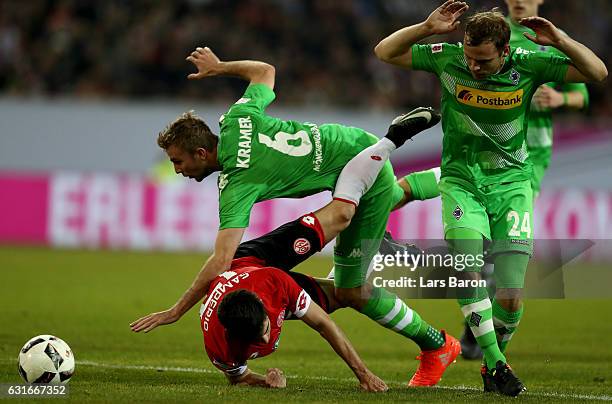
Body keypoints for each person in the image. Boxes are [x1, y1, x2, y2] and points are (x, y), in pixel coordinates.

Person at [131, 46, 462, 386]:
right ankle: (460, 175)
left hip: (361, 170)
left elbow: (221, 260)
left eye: (178, 161)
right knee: (390, 196)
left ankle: (437, 346)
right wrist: (219, 68)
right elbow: (265, 71)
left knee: (350, 287)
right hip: (346, 140)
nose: (177, 169)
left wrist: (175, 311)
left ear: (201, 153)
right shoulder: (236, 118)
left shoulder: (236, 183)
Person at [374, 0, 607, 396]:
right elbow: (385, 51)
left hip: (512, 184)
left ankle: (489, 363)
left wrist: (562, 40)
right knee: (467, 267)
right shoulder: (449, 59)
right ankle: (497, 363)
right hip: (461, 181)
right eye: (470, 57)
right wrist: (427, 28)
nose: (474, 67)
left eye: (483, 61)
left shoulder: (529, 64)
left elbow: (597, 73)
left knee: (511, 297)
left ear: (505, 52)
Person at [457, 0, 592, 361]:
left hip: (531, 156)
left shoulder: (546, 38)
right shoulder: (492, 36)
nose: (519, 0)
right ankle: (479, 320)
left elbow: (583, 92)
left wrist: (560, 97)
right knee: (480, 239)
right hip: (485, 150)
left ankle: (480, 326)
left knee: (505, 245)